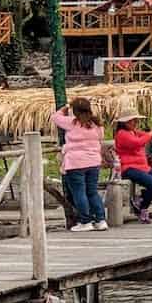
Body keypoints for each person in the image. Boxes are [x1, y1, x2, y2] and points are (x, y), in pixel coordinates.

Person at [51, 96, 108, 231]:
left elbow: (55, 117)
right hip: (93, 162)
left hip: (75, 162)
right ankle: (100, 220)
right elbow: (101, 139)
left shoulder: (72, 122)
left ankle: (85, 221)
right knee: (92, 192)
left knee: (79, 192)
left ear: (75, 112)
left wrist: (65, 108)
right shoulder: (97, 125)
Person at [114, 112, 152, 223]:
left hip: (142, 166)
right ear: (124, 123)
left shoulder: (134, 132)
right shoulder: (122, 134)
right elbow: (138, 142)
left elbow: (145, 136)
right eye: (132, 120)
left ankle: (141, 200)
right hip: (128, 167)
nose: (135, 122)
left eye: (136, 120)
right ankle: (143, 207)